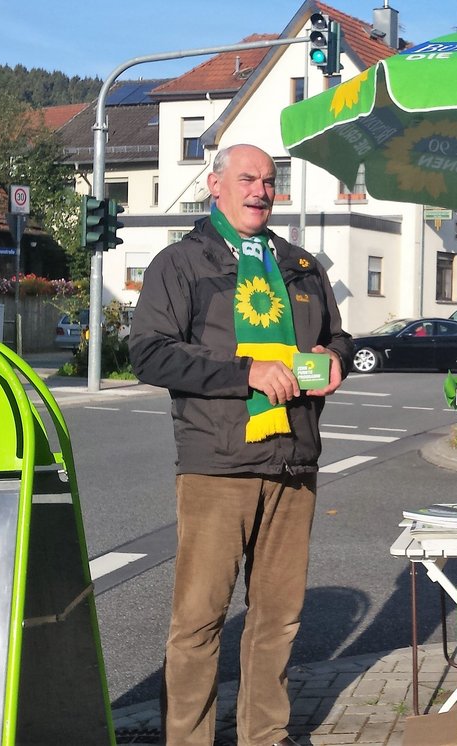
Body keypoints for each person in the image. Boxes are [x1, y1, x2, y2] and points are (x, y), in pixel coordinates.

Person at [129, 143, 353, 746]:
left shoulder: (301, 265)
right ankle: (188, 739)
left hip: (294, 459)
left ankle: (266, 735)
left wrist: (335, 357)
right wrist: (245, 372)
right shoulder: (181, 263)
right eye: (248, 178)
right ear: (215, 184)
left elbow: (339, 337)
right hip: (219, 464)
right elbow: (149, 353)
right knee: (199, 621)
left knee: (277, 619)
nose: (261, 191)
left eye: (270, 181)